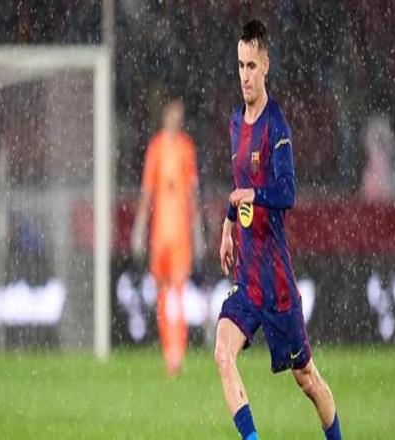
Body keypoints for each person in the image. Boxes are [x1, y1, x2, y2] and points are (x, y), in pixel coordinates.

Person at [214, 20, 342, 440]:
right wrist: (228, 226)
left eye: (252, 65)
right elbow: (239, 186)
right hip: (247, 278)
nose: (245, 75)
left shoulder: (277, 127)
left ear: (266, 65)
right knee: (223, 354)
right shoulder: (235, 121)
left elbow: (287, 193)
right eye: (240, 66)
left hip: (276, 284)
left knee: (307, 378)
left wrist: (251, 196)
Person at [131, 98, 202, 377]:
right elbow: (147, 190)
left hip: (180, 234)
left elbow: (193, 192)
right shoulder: (156, 148)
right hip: (160, 233)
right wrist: (139, 228)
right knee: (162, 293)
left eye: (179, 115)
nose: (176, 119)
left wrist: (197, 230)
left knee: (178, 293)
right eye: (172, 114)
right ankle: (168, 350)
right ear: (165, 116)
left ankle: (176, 353)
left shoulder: (186, 148)